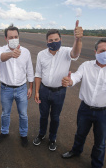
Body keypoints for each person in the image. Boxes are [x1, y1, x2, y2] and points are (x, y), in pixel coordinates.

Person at [61, 38, 106, 168]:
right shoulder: (86, 65)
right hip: (85, 109)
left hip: (105, 112)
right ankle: (76, 151)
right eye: (102, 50)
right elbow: (76, 76)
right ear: (95, 51)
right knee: (80, 133)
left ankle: (97, 164)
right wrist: (70, 81)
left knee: (100, 141)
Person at [33, 20, 83, 151]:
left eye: (56, 39)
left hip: (59, 92)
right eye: (50, 40)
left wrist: (77, 40)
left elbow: (75, 53)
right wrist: (37, 91)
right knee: (43, 115)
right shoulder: (41, 55)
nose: (53, 42)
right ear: (47, 41)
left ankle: (52, 138)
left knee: (55, 117)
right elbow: (38, 74)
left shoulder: (66, 52)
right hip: (44, 90)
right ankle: (41, 134)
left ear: (60, 39)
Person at [0, 24, 34, 147]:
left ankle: (23, 134)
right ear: (6, 38)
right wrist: (11, 54)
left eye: (16, 36)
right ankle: (4, 132)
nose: (13, 39)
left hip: (22, 88)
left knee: (23, 114)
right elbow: (0, 58)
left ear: (19, 37)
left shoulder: (26, 52)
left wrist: (31, 87)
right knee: (5, 113)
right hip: (6, 88)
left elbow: (30, 70)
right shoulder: (0, 50)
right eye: (10, 37)